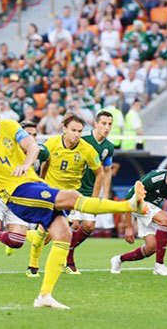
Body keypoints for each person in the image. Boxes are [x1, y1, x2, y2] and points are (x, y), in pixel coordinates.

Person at [0, 97, 147, 309]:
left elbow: (32, 146)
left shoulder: (9, 126)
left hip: (33, 183)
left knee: (63, 235)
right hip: (14, 193)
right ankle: (129, 205)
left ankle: (44, 296)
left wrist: (26, 165)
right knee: (71, 197)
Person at [27, 112, 105, 276]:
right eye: (73, 130)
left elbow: (100, 173)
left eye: (79, 131)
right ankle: (32, 266)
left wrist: (94, 199)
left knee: (57, 233)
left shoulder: (87, 150)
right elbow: (43, 158)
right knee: (47, 229)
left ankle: (22, 236)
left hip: (70, 197)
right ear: (64, 129)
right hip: (50, 193)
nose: (77, 134)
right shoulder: (53, 143)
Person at [0, 121, 49, 267]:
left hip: (20, 198)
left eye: (34, 135)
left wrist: (42, 178)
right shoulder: (6, 150)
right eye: (28, 134)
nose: (31, 138)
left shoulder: (40, 151)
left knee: (17, 242)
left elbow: (48, 158)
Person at [110, 158, 167, 277]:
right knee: (166, 219)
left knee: (152, 247)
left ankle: (118, 259)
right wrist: (129, 227)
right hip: (137, 204)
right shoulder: (154, 178)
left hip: (151, 210)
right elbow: (128, 198)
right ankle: (159, 266)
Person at [64, 111, 115, 274]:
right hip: (73, 189)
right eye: (104, 123)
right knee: (69, 226)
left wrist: (105, 195)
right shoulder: (82, 139)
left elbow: (107, 171)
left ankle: (67, 257)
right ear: (95, 124)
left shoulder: (108, 147)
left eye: (110, 124)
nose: (107, 127)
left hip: (90, 191)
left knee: (89, 226)